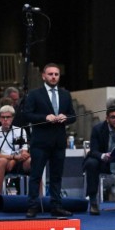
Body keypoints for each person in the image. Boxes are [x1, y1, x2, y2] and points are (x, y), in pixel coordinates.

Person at [21, 63, 76, 218]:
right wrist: (45, 118)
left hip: (59, 142)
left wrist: (66, 118)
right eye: (50, 74)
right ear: (43, 76)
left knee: (56, 176)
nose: (53, 77)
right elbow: (27, 115)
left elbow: (73, 116)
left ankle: (56, 206)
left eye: (56, 74)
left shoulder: (65, 94)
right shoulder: (34, 94)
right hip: (40, 142)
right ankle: (33, 206)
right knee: (36, 175)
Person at [0, 104, 31, 201]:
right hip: (2, 162)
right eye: (3, 117)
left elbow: (24, 151)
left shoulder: (20, 130)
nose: (5, 120)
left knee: (33, 161)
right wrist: (14, 158)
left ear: (12, 118)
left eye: (8, 117)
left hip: (18, 161)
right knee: (1, 161)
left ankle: (38, 199)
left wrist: (14, 160)